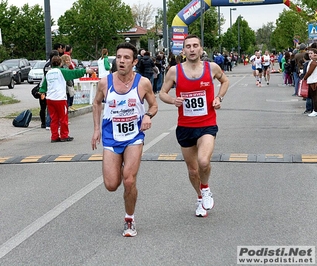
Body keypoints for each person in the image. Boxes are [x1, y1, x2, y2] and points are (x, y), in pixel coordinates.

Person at [91, 42, 158, 237]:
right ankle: (120, 166)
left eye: (126, 58)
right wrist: (96, 130)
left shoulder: (143, 82)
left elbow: (153, 106)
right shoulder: (105, 82)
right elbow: (96, 103)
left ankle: (129, 219)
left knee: (129, 181)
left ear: (134, 61)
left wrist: (147, 115)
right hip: (111, 137)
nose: (121, 61)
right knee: (111, 185)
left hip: (133, 137)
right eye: (119, 57)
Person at [159, 34, 229, 218]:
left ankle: (205, 188)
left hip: (207, 123)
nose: (191, 49)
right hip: (185, 126)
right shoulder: (174, 71)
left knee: (203, 162)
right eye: (188, 46)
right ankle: (200, 198)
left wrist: (218, 97)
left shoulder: (211, 67)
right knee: (192, 170)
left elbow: (225, 81)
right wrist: (173, 100)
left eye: (195, 45)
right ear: (183, 50)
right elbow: (162, 93)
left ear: (200, 49)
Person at [39, 56, 94, 142]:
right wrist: (85, 71)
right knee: (63, 118)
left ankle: (54, 136)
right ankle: (64, 135)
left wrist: (42, 91)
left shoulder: (48, 73)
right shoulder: (62, 71)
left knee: (54, 118)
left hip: (50, 99)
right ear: (60, 63)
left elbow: (43, 86)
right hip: (60, 98)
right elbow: (74, 73)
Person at [303, 48, 317, 117]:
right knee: (313, 97)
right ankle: (314, 110)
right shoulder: (311, 61)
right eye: (309, 53)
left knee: (314, 97)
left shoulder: (314, 62)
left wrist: (304, 78)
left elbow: (309, 72)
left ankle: (315, 111)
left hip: (314, 81)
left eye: (311, 53)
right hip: (312, 81)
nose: (310, 55)